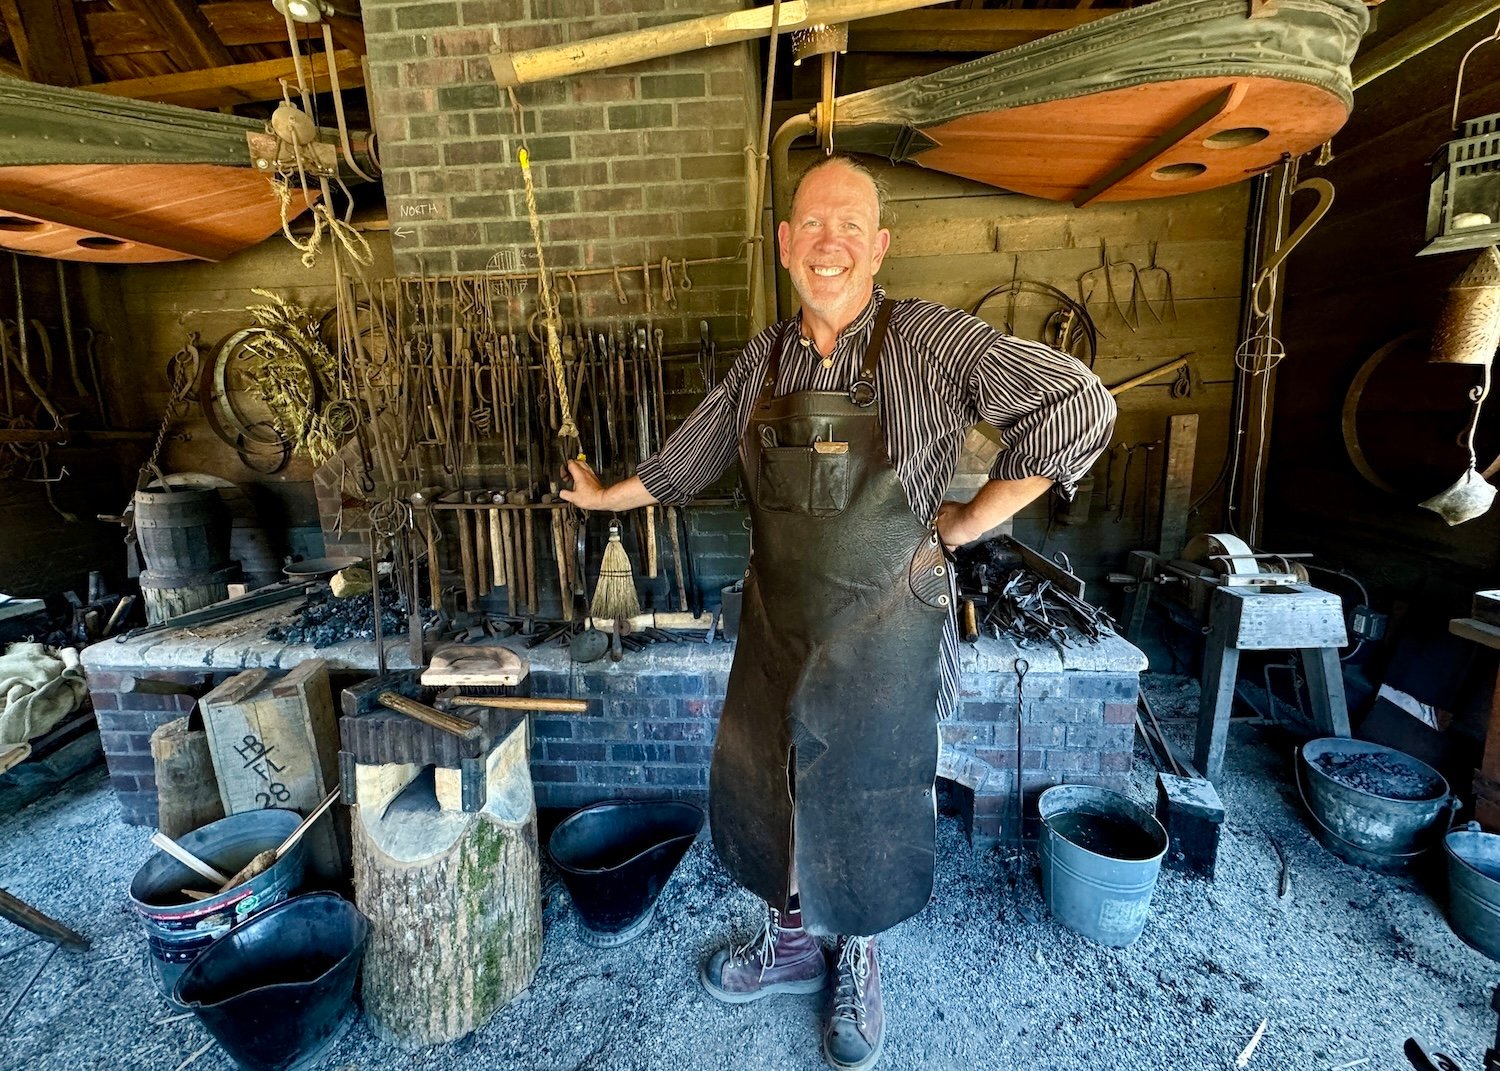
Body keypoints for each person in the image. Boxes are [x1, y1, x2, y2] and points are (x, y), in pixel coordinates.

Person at [561, 155, 1115, 1071]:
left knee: (864, 791)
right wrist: (608, 498)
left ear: (879, 245)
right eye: (812, 225)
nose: (830, 243)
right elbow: (689, 458)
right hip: (781, 626)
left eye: (850, 226)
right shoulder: (763, 362)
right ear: (785, 245)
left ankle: (855, 953)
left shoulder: (932, 343)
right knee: (775, 788)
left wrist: (970, 520)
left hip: (887, 633)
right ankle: (786, 940)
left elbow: (1078, 404)